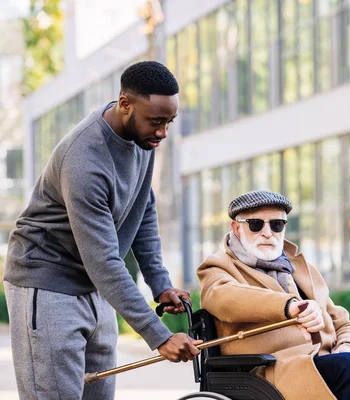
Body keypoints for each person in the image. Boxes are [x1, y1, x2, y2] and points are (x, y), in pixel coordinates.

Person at [3, 61, 202, 400]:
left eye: (169, 122)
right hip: (47, 282)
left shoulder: (143, 141)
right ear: (126, 104)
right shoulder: (85, 160)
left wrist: (160, 283)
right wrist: (160, 335)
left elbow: (143, 209)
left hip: (95, 289)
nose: (162, 133)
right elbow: (104, 261)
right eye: (156, 122)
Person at [197, 190, 350, 400]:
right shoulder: (218, 267)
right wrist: (291, 306)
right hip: (274, 372)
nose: (267, 232)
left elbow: (344, 322)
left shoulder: (300, 268)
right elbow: (225, 298)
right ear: (236, 228)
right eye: (255, 224)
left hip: (334, 365)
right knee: (347, 368)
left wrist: (348, 346)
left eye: (276, 224)